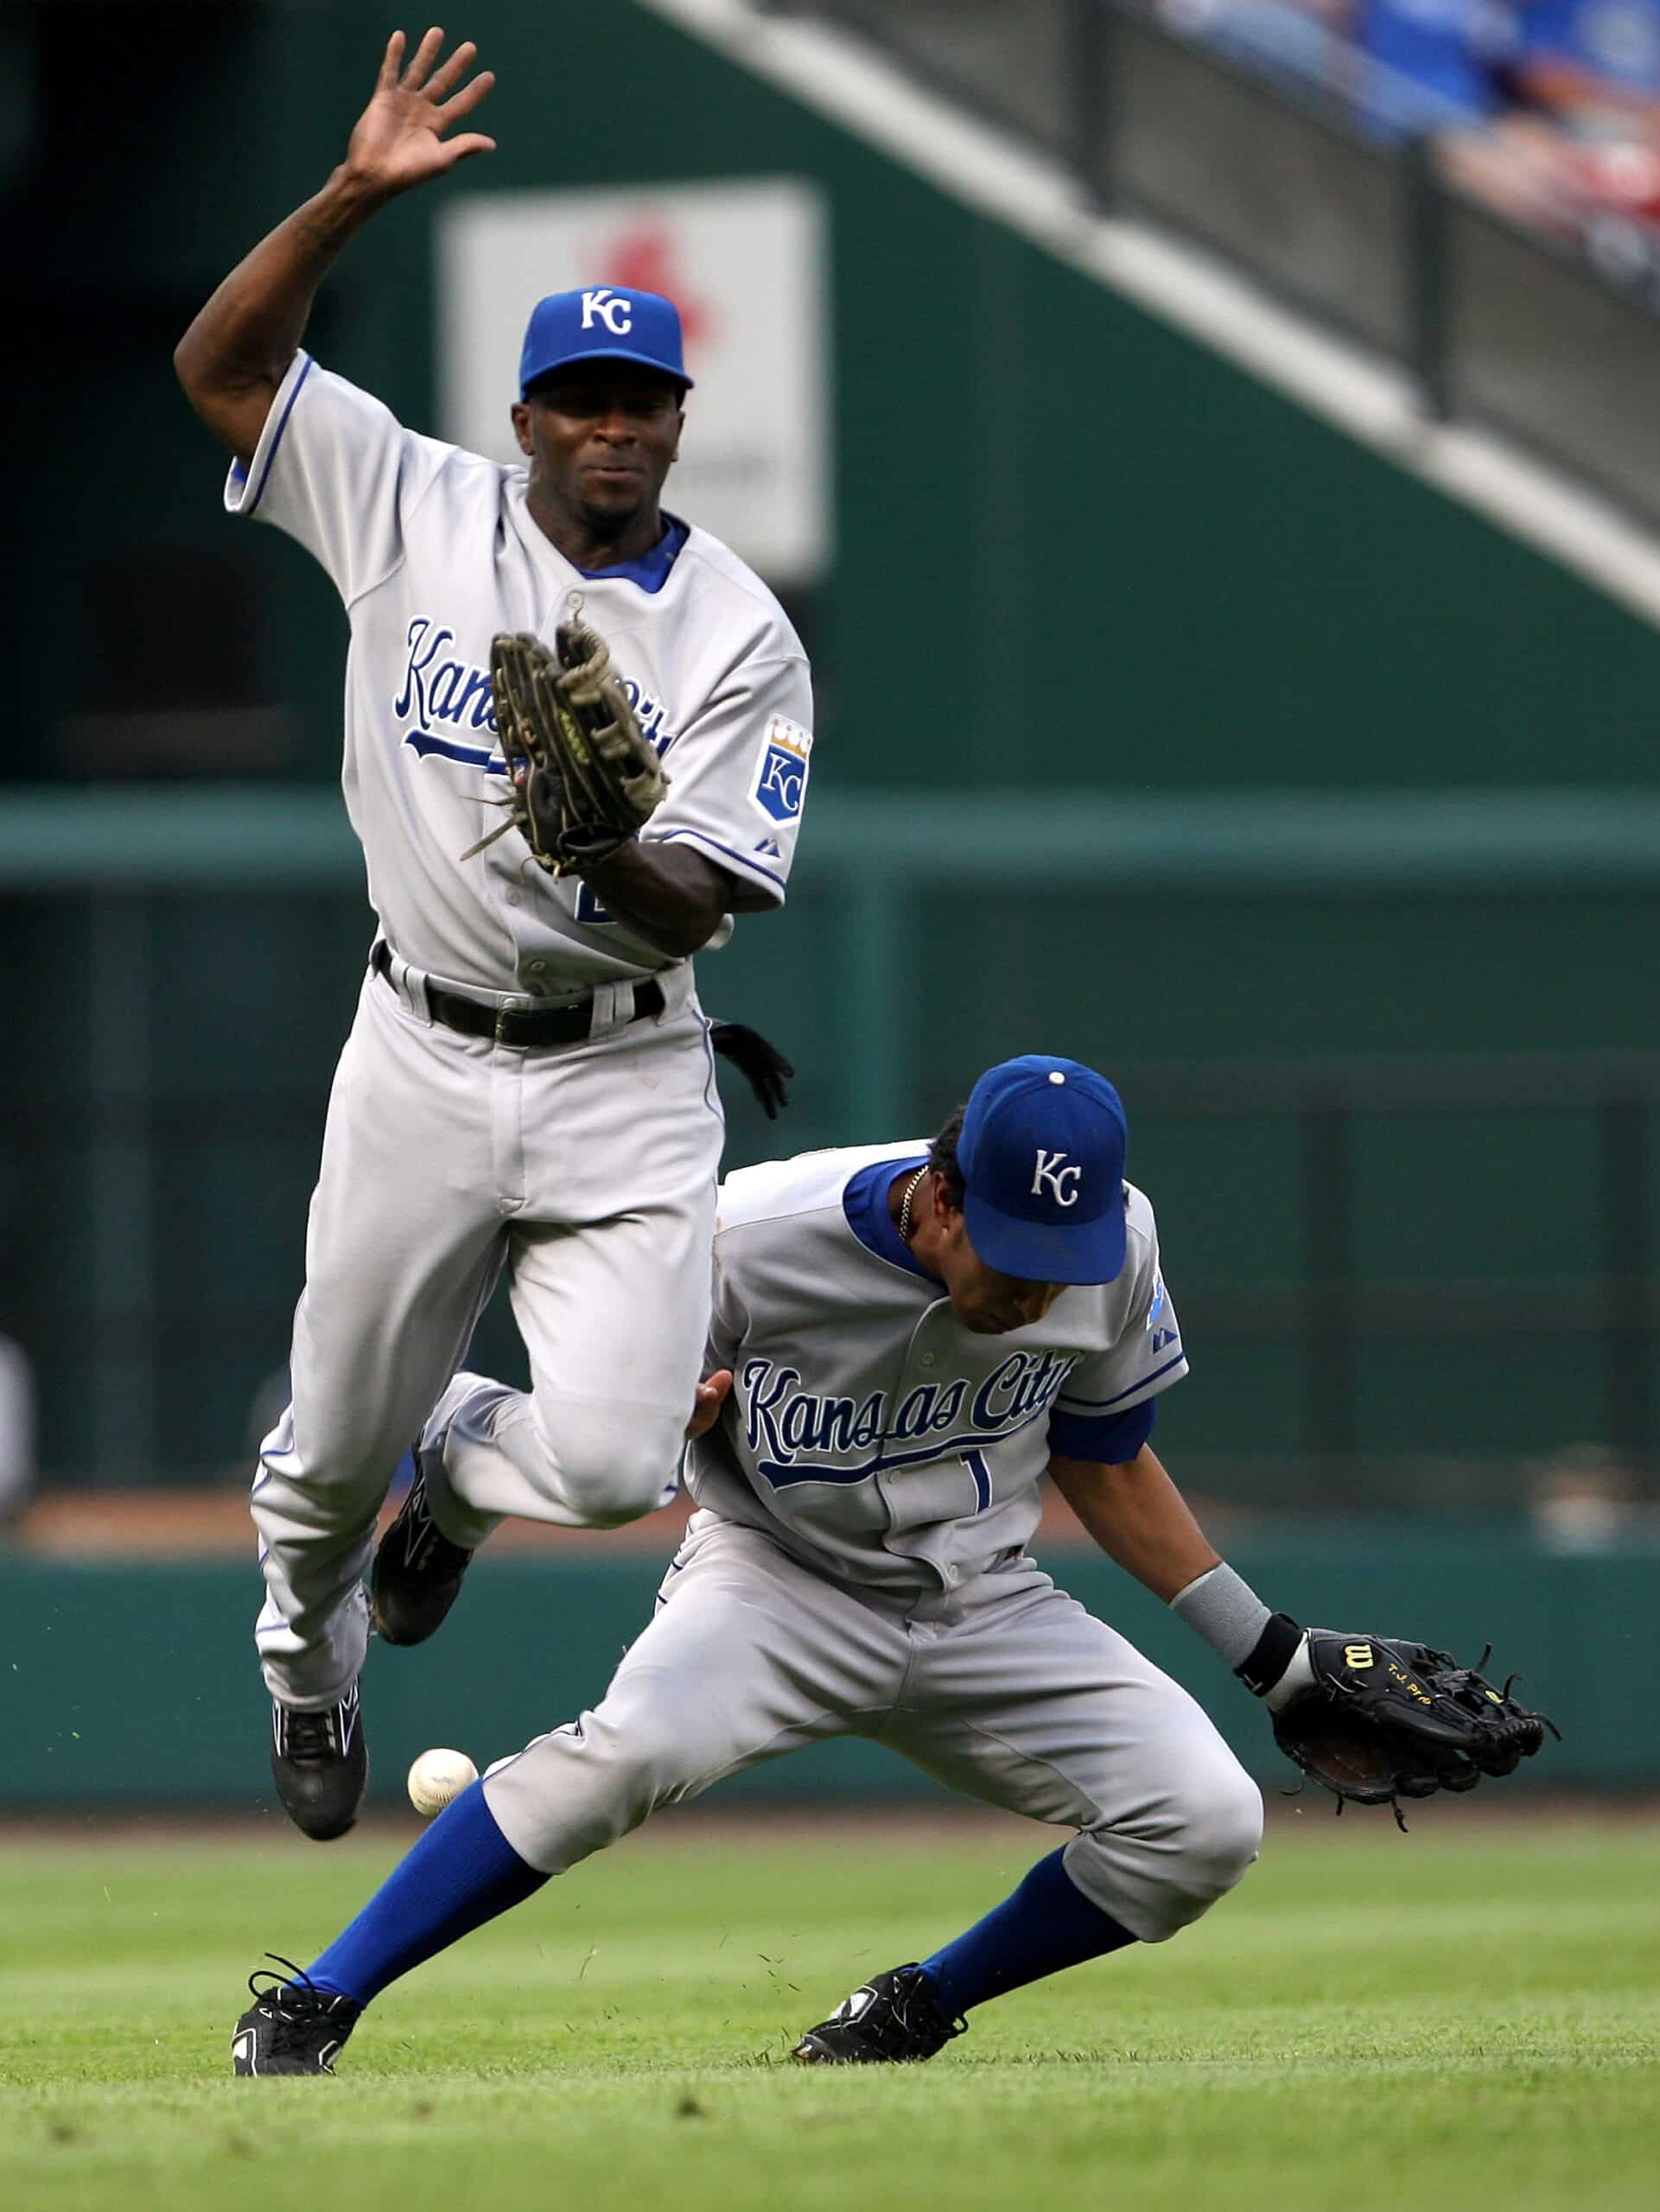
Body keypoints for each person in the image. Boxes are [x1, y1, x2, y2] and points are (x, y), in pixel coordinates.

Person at [174, 26, 814, 1844]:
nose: (615, 424)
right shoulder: (411, 501)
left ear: (679, 418)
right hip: (422, 1052)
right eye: (582, 400)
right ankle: (311, 1656)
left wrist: (603, 840)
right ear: (525, 416)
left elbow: (699, 897)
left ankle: (461, 1465)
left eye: (645, 399)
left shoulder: (736, 635)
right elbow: (216, 369)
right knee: (308, 1474)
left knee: (616, 1465)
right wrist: (346, 197)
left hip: (624, 1059)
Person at [231, 1054, 1333, 2077]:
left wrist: (1269, 1656)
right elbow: (624, 1430)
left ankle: (912, 2007)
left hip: (987, 1599)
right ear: (942, 1198)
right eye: (1017, 1257)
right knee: (623, 1754)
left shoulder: (1118, 1241)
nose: (1040, 1292)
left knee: (1207, 1821)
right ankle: (317, 1997)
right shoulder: (748, 1237)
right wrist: (677, 1418)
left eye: (1064, 1262)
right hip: (774, 1580)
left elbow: (1105, 1458)